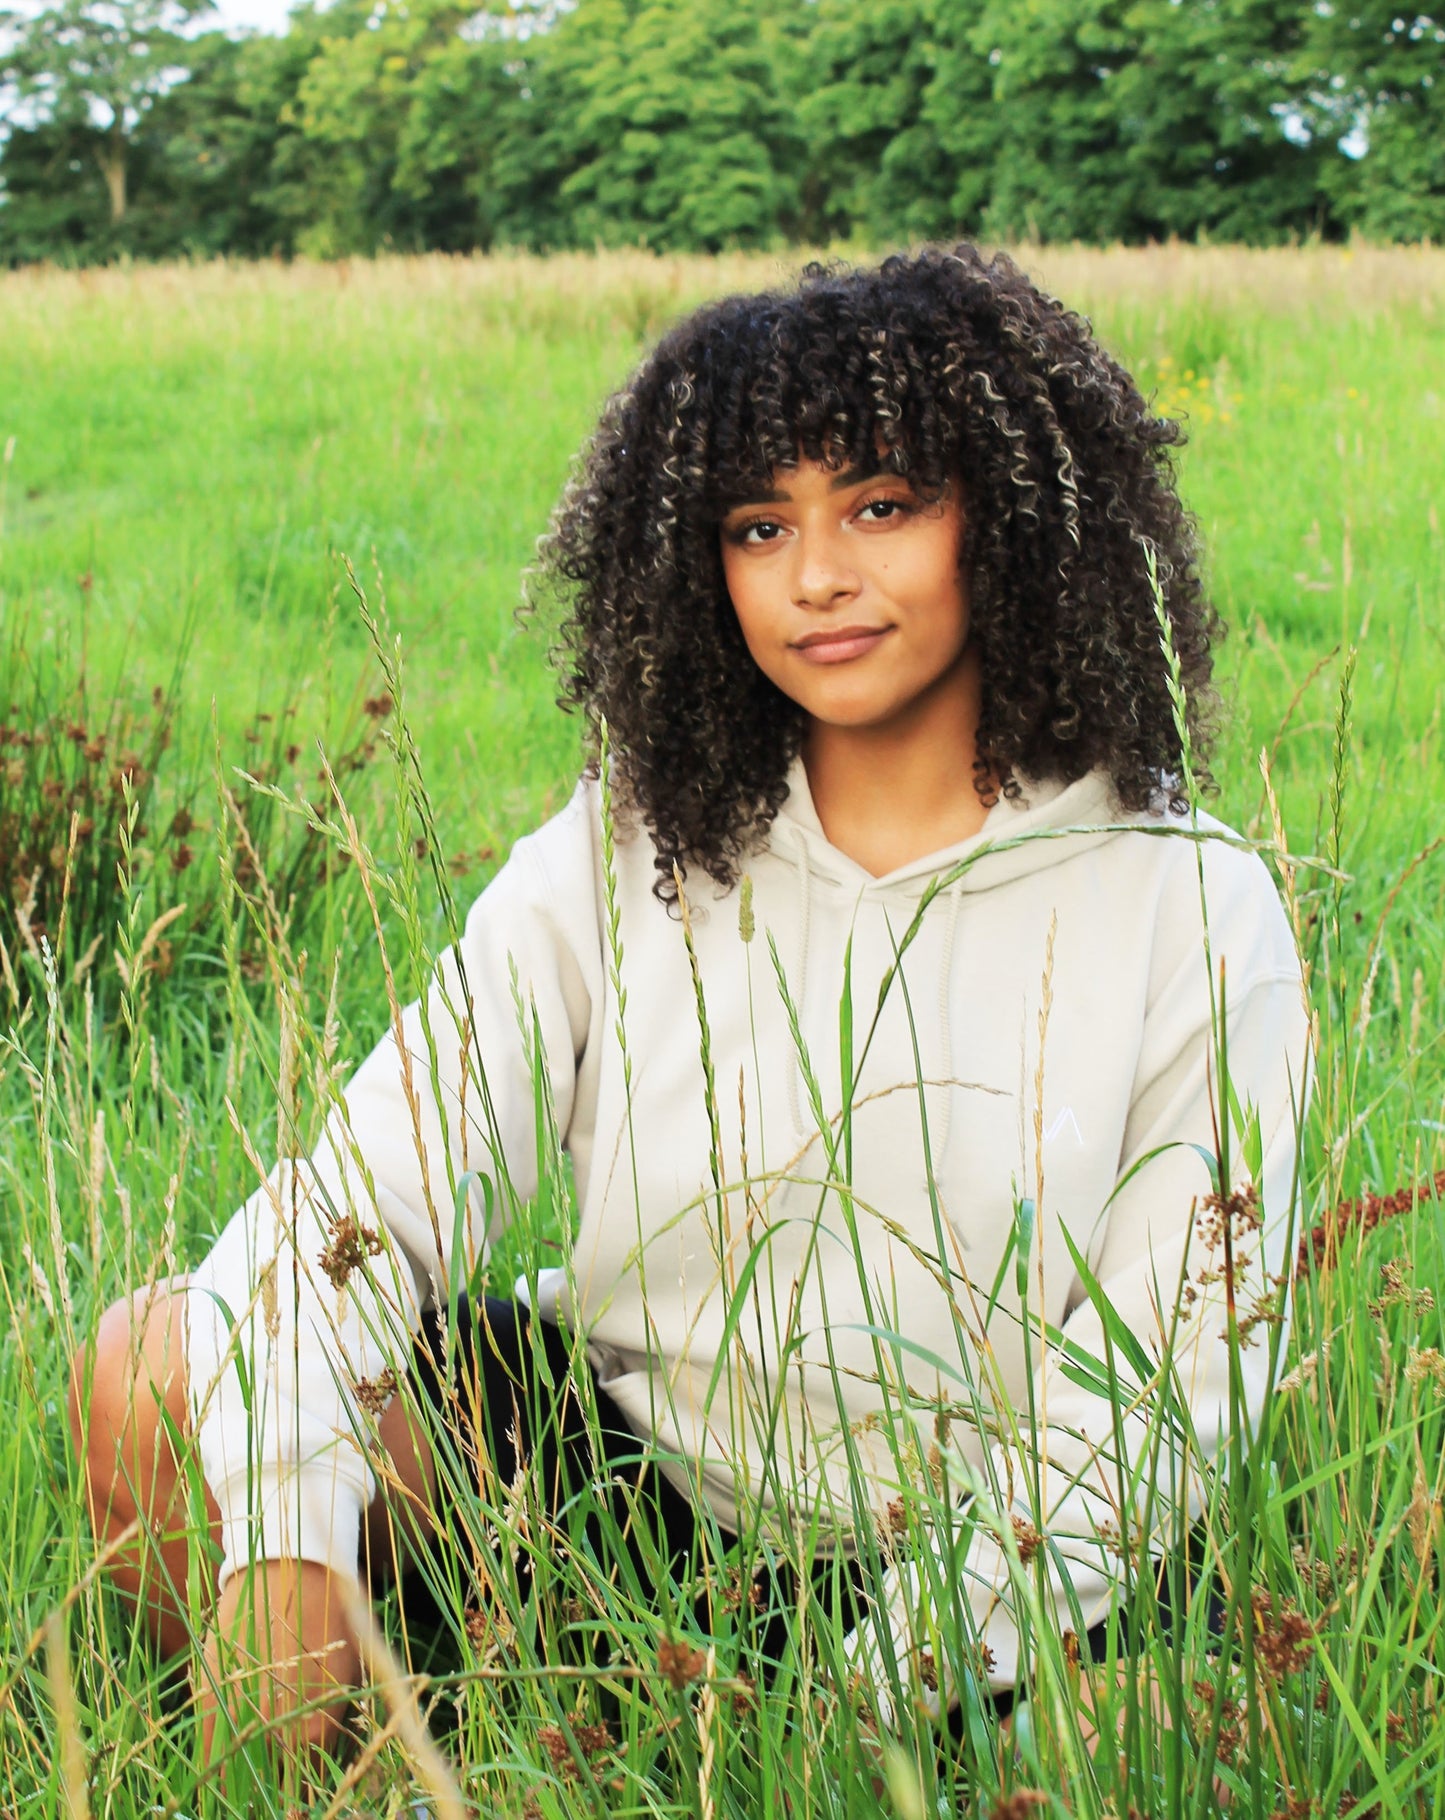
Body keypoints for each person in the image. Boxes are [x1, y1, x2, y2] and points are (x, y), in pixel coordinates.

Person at [71, 244, 1310, 1762]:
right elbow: (348, 1214)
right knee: (158, 1363)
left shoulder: (1186, 896)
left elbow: (1169, 1390)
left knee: (1189, 1734)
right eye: (756, 525)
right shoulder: (625, 847)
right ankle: (365, 1772)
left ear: (1013, 520)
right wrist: (284, 1542)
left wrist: (862, 1695)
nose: (815, 578)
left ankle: (660, 1730)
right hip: (617, 1489)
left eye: (880, 505)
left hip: (992, 1554)